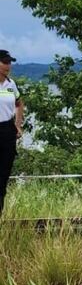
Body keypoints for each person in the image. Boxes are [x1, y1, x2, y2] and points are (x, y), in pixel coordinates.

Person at [0, 49, 25, 217]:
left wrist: (17, 125)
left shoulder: (11, 84)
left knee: (3, 176)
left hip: (7, 131)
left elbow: (19, 104)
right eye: (4, 62)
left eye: (9, 62)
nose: (8, 65)